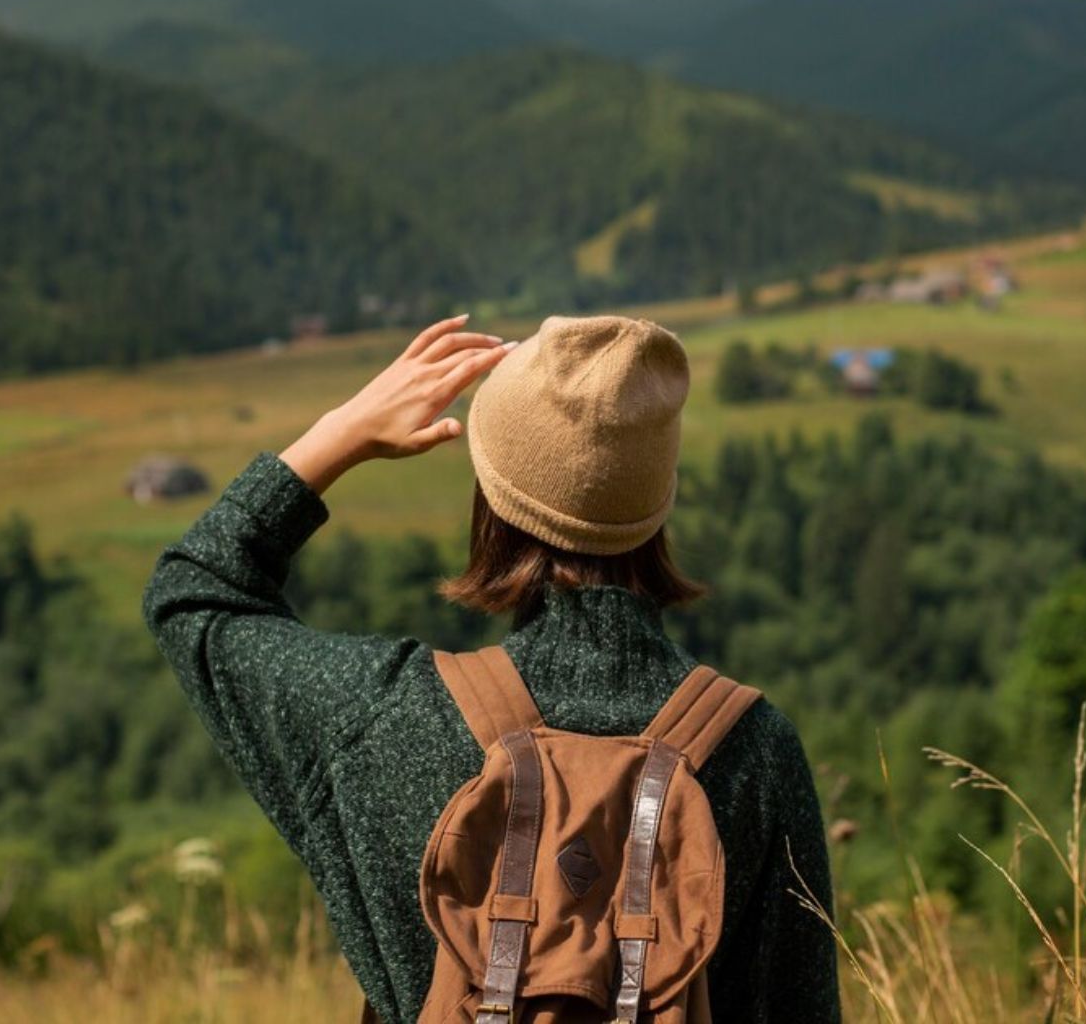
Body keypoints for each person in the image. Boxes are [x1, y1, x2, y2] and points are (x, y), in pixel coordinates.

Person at [143, 313, 841, 1022]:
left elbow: (194, 591)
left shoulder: (383, 717)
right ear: (658, 502)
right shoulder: (755, 751)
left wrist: (342, 433)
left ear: (493, 495)